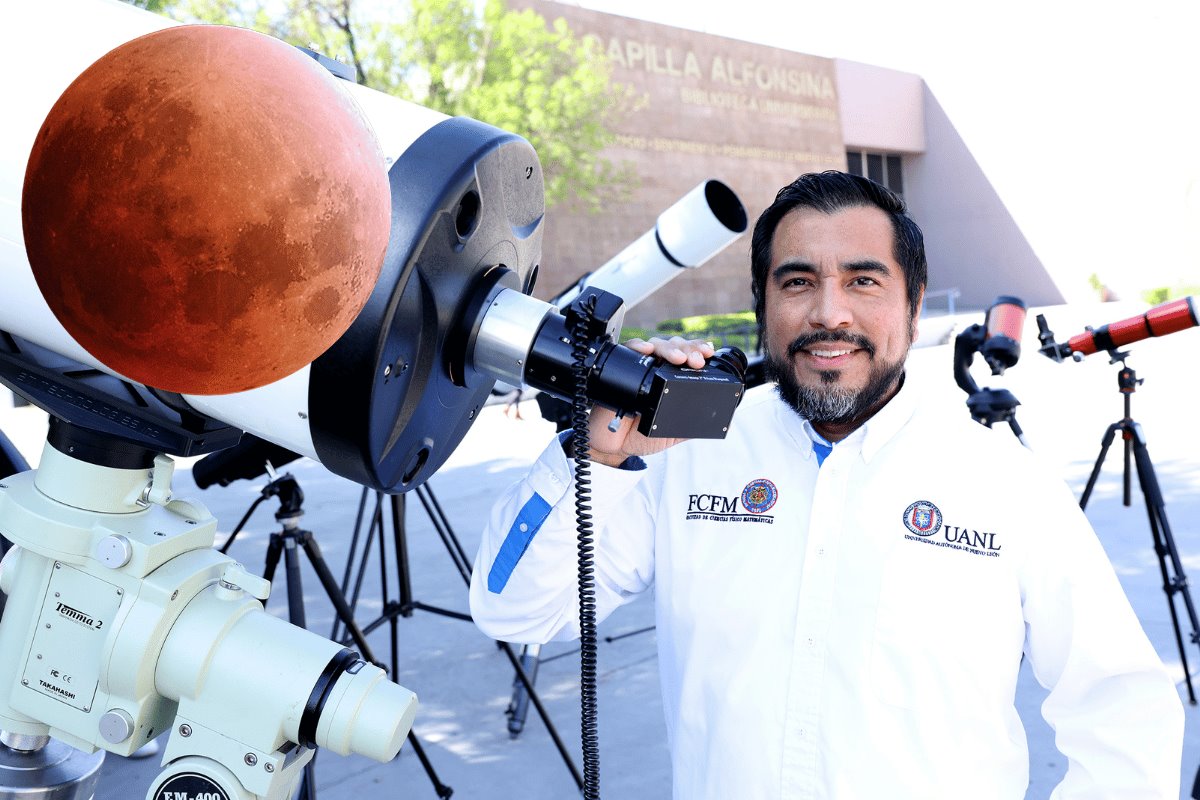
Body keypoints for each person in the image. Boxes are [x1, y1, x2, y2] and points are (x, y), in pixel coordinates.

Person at [469, 171, 1184, 799]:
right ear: (762, 302)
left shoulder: (1003, 481)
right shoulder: (679, 455)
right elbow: (513, 613)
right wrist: (594, 457)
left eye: (863, 280)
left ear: (914, 302)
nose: (829, 313)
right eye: (798, 281)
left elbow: (1122, 707)